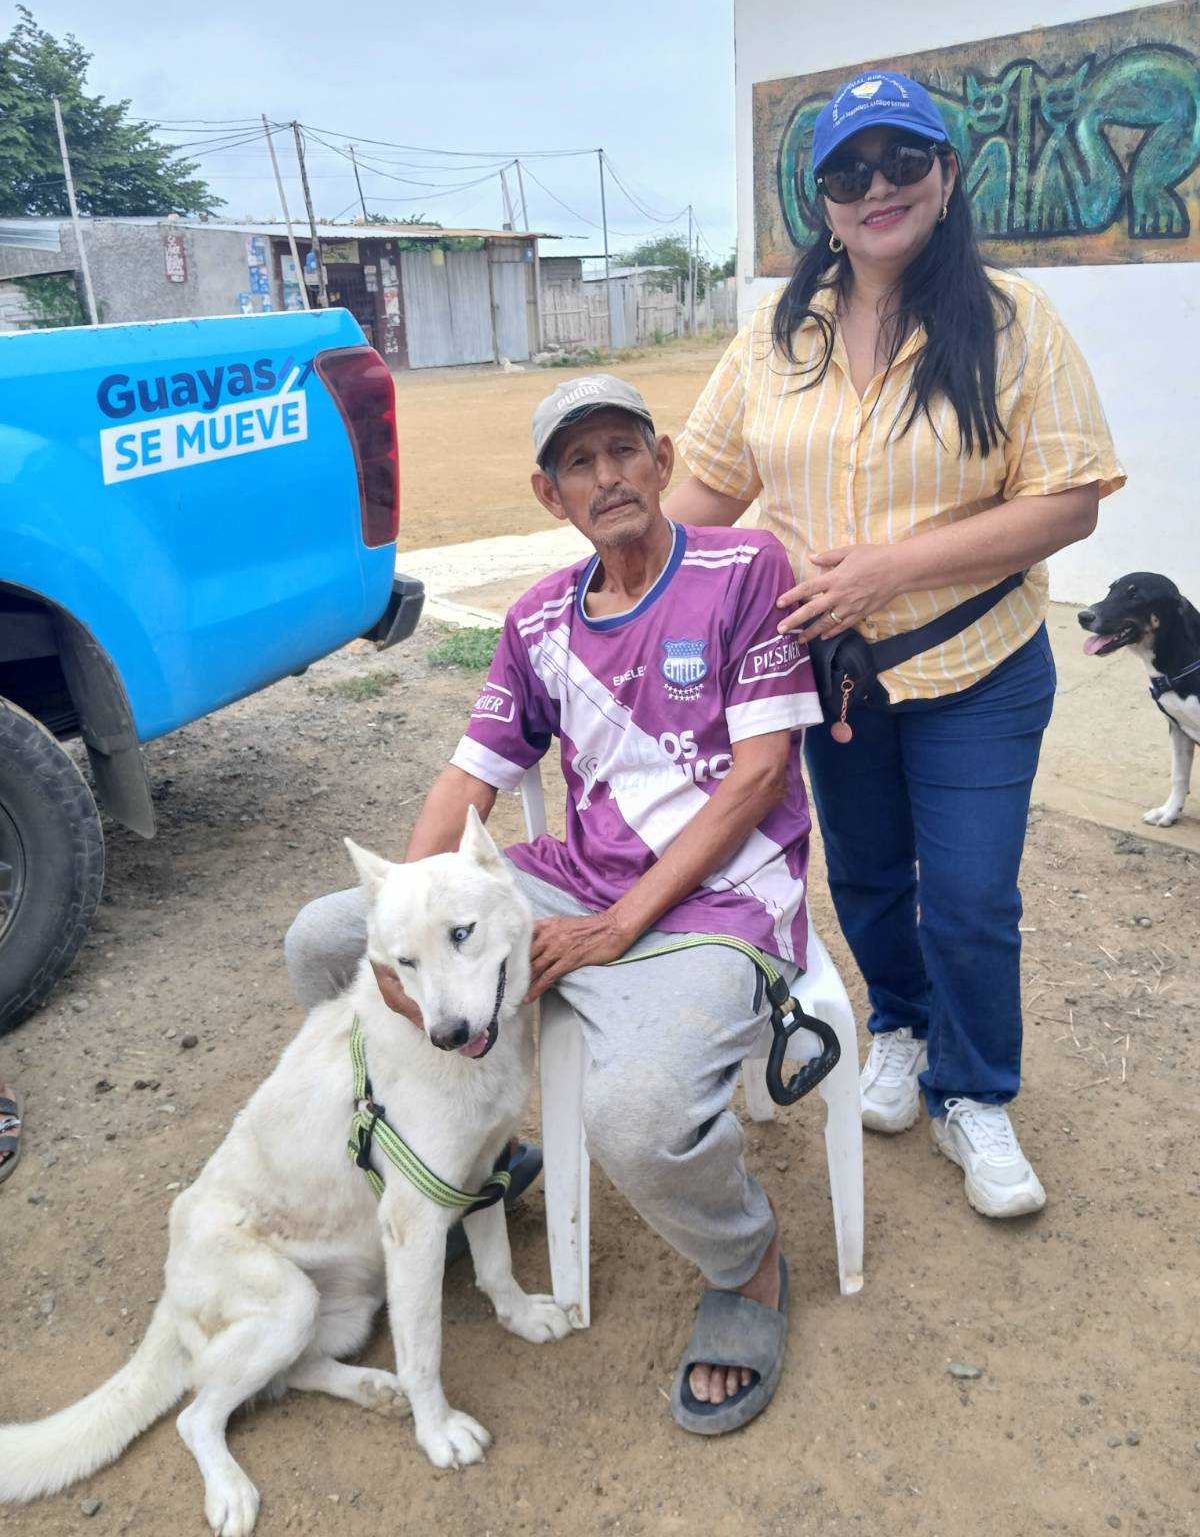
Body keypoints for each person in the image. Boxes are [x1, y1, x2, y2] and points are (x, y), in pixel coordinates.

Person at [285, 373, 821, 1433]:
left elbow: (761, 775)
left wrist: (620, 927)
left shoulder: (744, 569)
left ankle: (747, 1263)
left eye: (624, 450)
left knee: (636, 1117)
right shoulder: (537, 619)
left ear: (662, 462)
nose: (607, 476)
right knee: (327, 941)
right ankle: (471, 1163)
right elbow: (469, 778)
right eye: (579, 462)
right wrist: (402, 924)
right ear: (550, 493)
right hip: (574, 877)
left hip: (723, 903)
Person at [666, 69, 1123, 1219]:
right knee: (867, 876)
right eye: (849, 171)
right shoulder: (775, 339)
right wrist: (620, 589)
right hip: (833, 680)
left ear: (946, 175)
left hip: (978, 668)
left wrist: (888, 567)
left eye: (903, 160)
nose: (878, 187)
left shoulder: (1016, 325)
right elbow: (700, 497)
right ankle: (903, 1025)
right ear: (823, 202)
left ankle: (974, 1091)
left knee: (969, 894)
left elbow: (1071, 501)